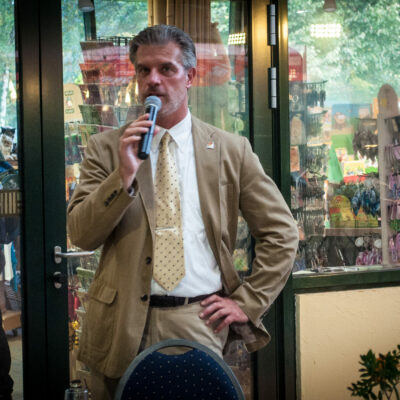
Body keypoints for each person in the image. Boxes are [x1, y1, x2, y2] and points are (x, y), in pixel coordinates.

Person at [67, 24, 298, 399]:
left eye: (166, 69)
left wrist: (248, 301)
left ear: (189, 76)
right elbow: (81, 234)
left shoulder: (230, 150)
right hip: (120, 324)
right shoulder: (106, 148)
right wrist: (123, 176)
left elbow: (282, 232)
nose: (153, 80)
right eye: (144, 70)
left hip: (198, 320)